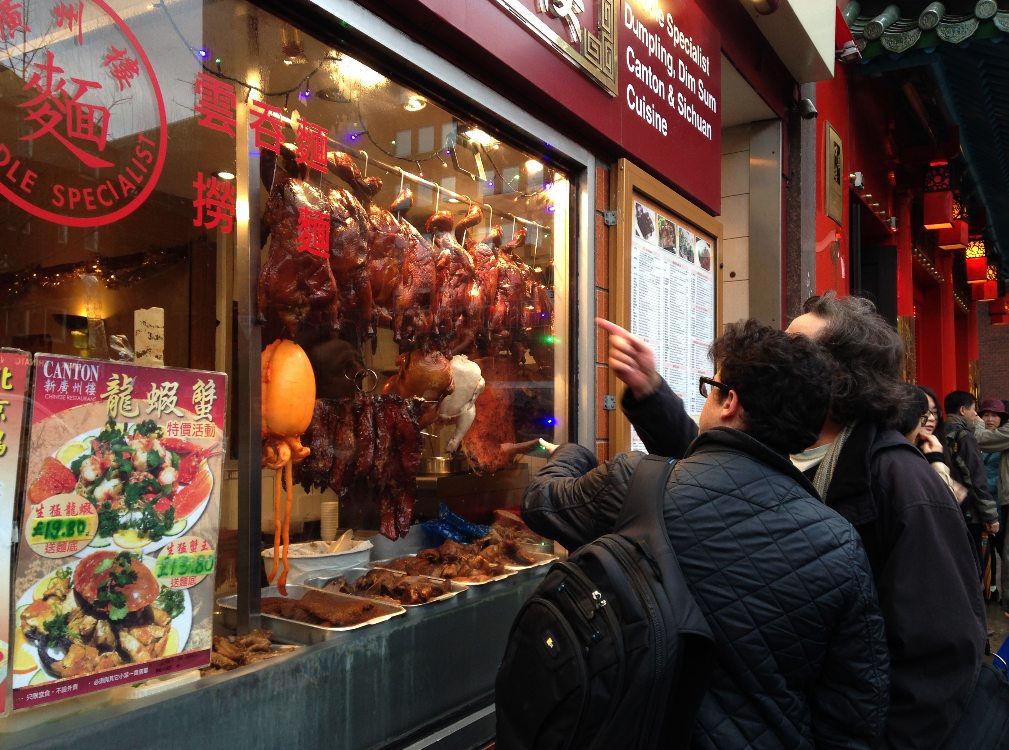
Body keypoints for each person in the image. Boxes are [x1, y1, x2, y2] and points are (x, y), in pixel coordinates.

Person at [601, 293, 986, 749]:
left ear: (839, 377)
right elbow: (713, 465)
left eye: (793, 346)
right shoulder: (784, 441)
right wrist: (651, 392)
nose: (774, 352)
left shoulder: (900, 482)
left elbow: (939, 658)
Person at [523, 320, 889, 748]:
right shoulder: (839, 541)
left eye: (709, 387)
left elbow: (541, 501)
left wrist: (572, 450)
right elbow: (856, 712)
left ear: (729, 402)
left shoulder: (632, 484)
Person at [943, 390, 1000, 572]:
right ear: (962, 410)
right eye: (973, 409)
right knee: (974, 565)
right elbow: (976, 477)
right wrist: (990, 515)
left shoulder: (938, 433)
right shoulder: (965, 437)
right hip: (968, 511)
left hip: (947, 507)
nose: (976, 414)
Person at [974, 397, 1009, 616]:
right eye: (985, 415)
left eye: (994, 415)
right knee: (986, 550)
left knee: (1002, 549)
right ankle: (990, 592)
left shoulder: (1000, 441)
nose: (989, 419)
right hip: (982, 502)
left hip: (1000, 502)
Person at [895, 383, 955, 493]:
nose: (931, 418)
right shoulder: (896, 454)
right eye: (925, 412)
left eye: (935, 412)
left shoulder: (938, 447)